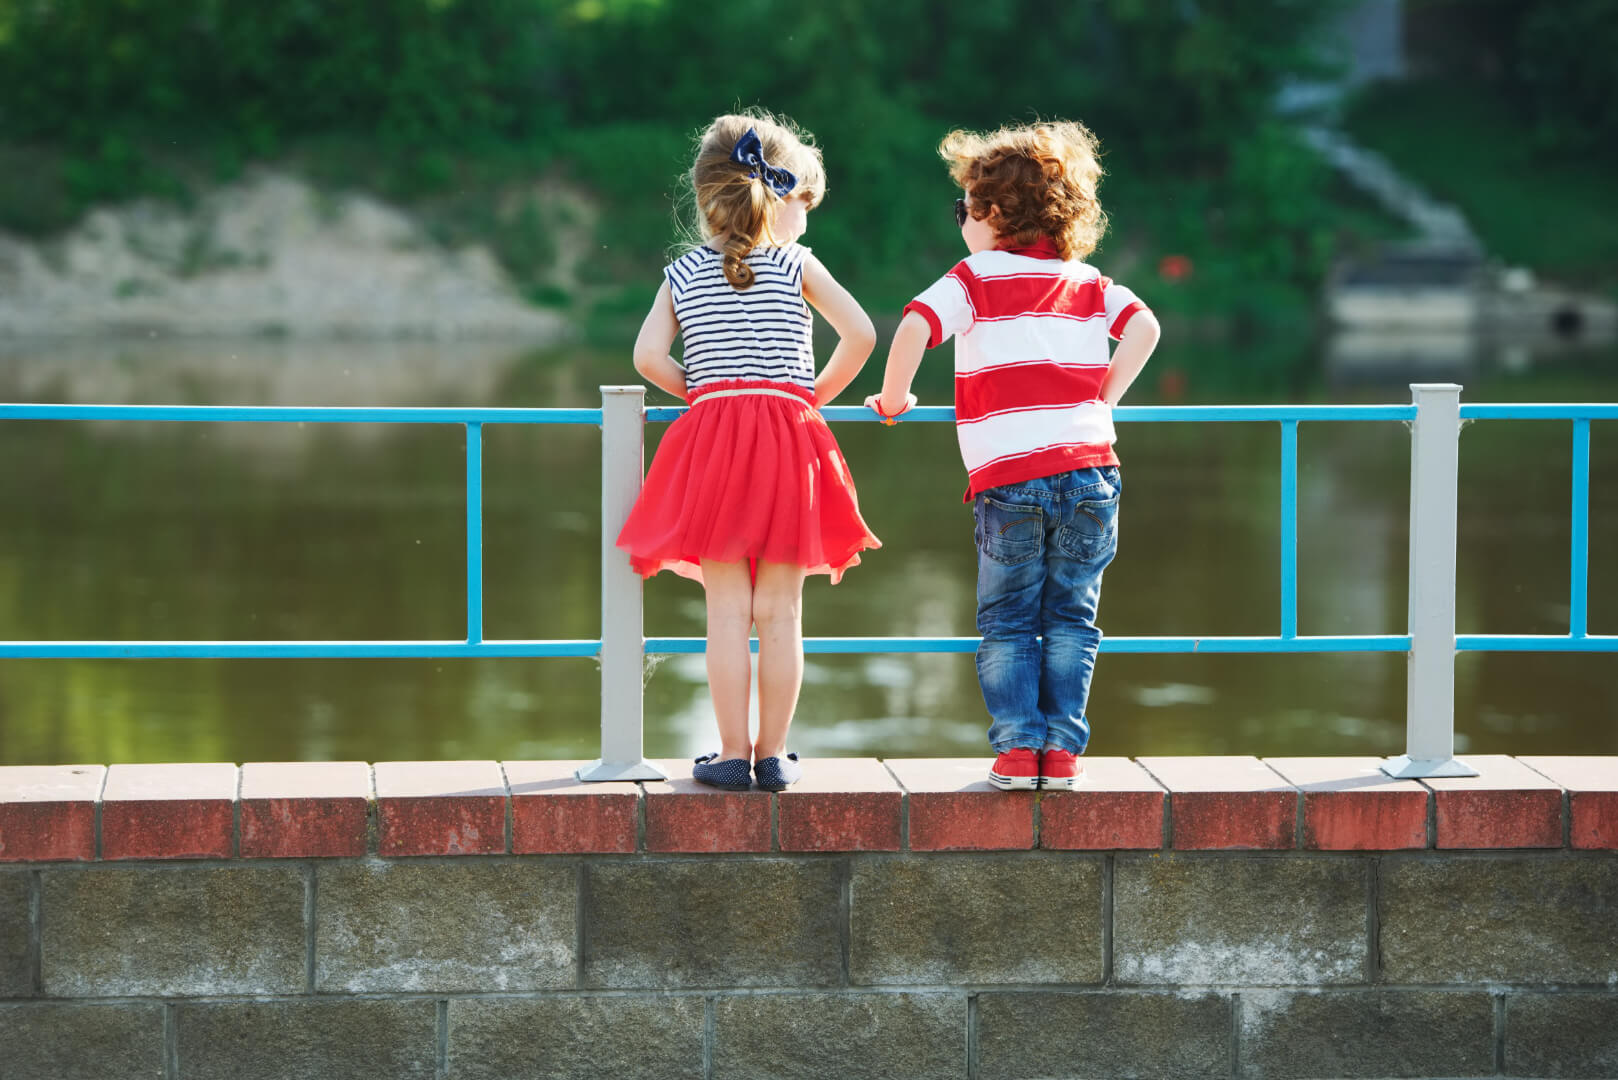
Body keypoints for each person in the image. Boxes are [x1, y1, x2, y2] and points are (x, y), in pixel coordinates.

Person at [865, 121, 1160, 791]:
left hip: (1012, 479)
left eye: (963, 206)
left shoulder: (973, 278)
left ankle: (1018, 749)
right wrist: (1104, 398)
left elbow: (914, 324)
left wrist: (893, 394)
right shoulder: (1084, 280)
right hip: (1091, 469)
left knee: (1006, 620)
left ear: (991, 213)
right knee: (1071, 617)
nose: (961, 220)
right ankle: (1062, 753)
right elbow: (1145, 326)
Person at [617, 110, 880, 792]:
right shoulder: (798, 263)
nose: (807, 218)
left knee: (726, 612)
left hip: (713, 439)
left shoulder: (683, 274)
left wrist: (704, 394)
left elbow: (647, 357)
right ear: (779, 197)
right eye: (805, 202)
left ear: (707, 199)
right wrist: (806, 395)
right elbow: (861, 335)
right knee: (782, 612)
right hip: (788, 438)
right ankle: (773, 756)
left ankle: (731, 755)